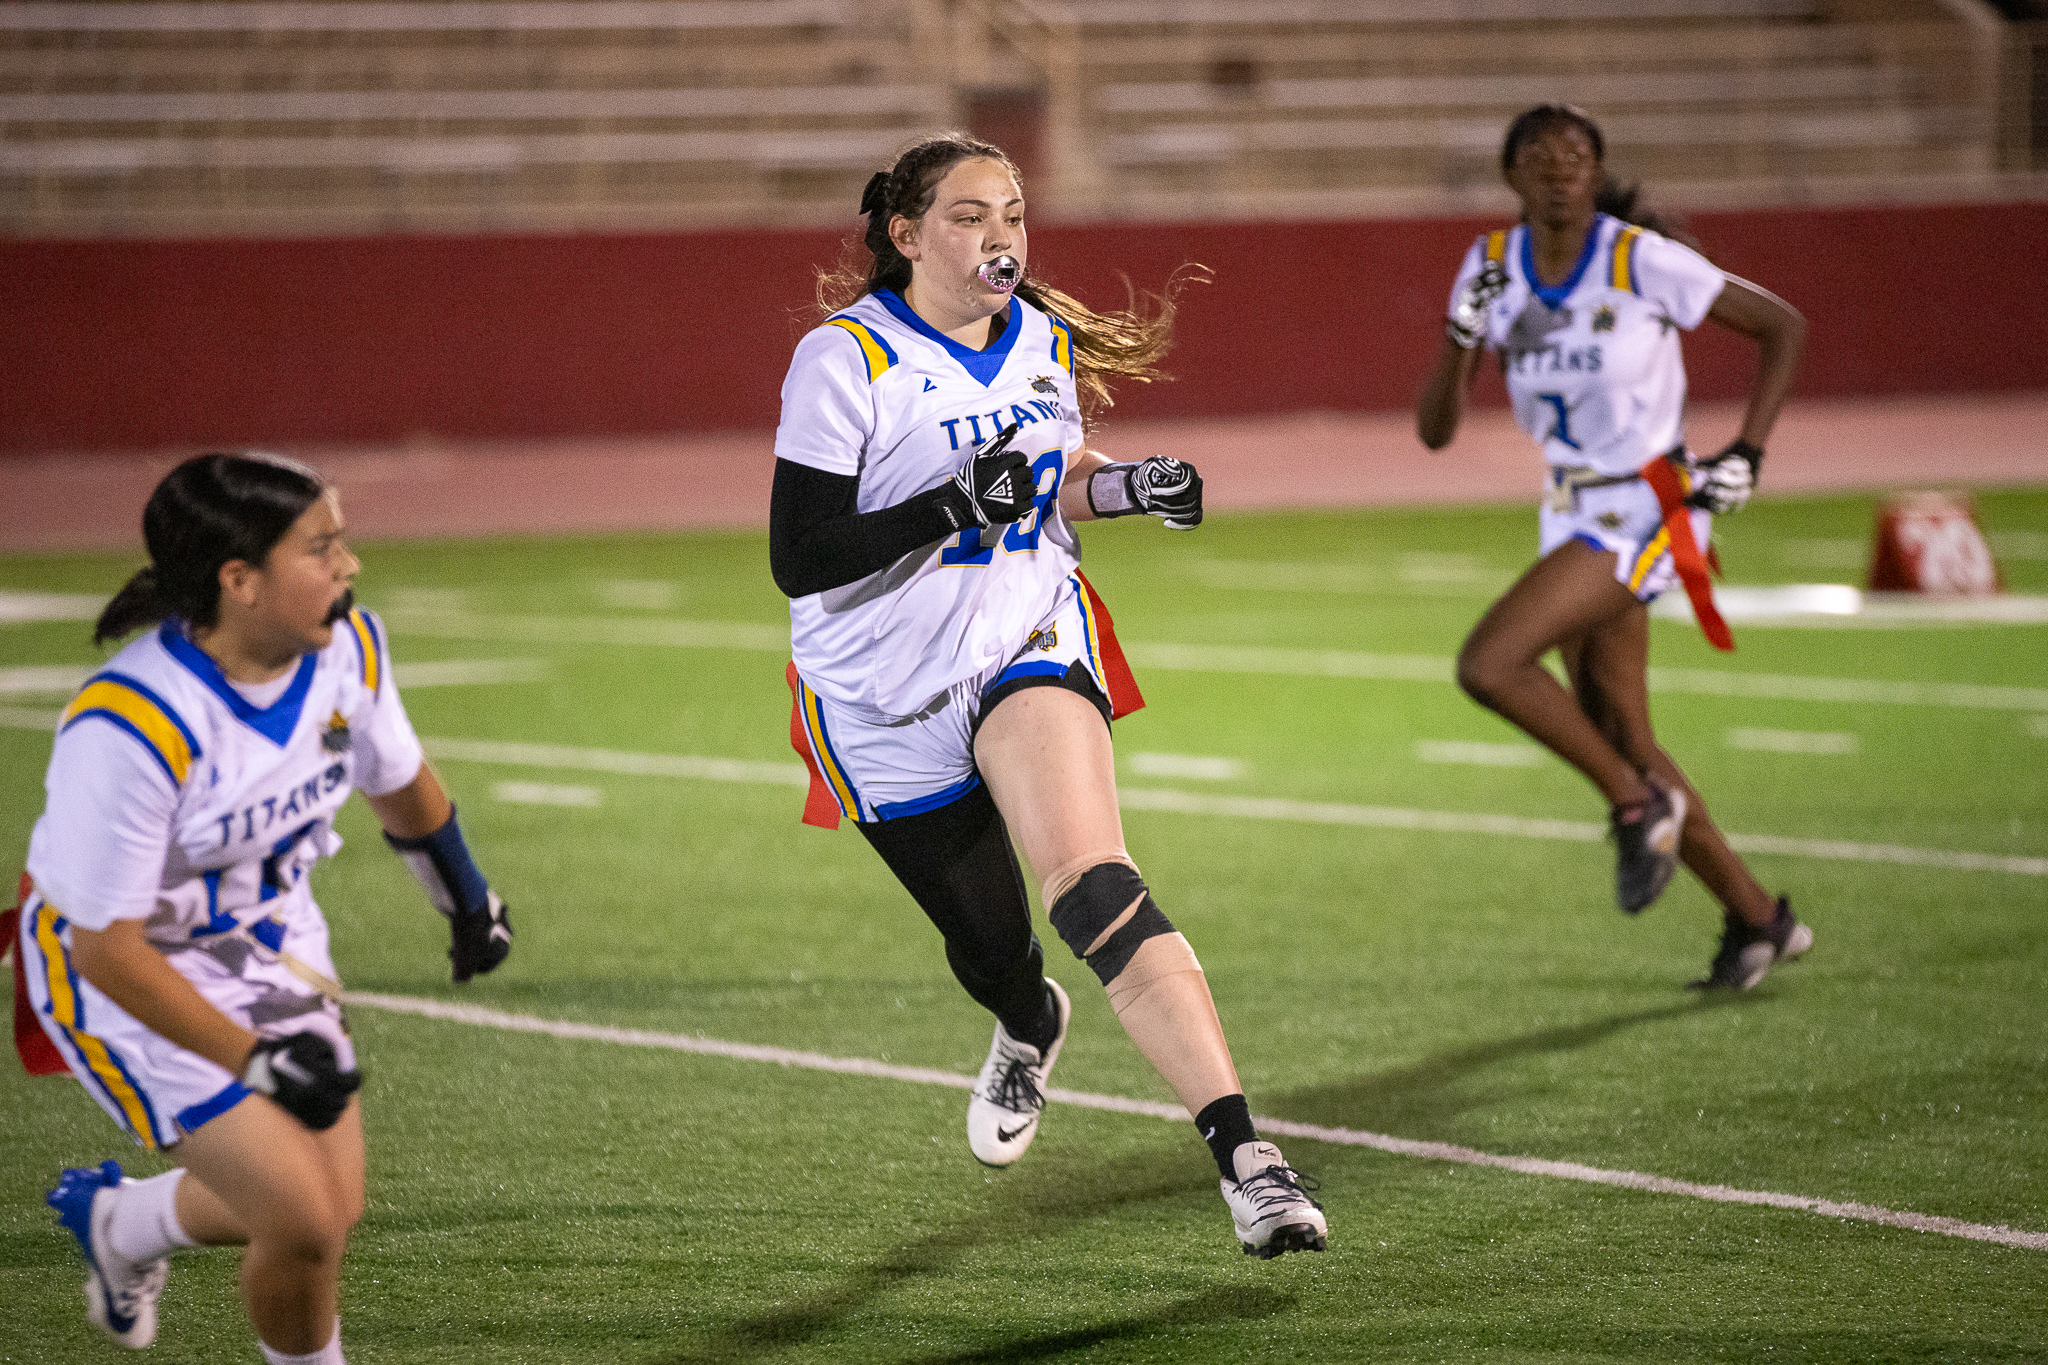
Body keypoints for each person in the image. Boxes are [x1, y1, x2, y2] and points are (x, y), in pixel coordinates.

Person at [769, 134, 1327, 1258]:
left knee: (1092, 884)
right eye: (970, 217)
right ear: (907, 233)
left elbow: (1050, 488)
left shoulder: (1043, 338)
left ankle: (1248, 1163)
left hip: (1023, 636)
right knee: (991, 948)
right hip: (876, 692)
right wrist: (945, 508)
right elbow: (800, 555)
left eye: (1013, 215)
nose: (1000, 239)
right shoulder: (843, 361)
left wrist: (1130, 488)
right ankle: (1026, 1023)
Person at [15, 452, 514, 1362]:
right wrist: (254, 1061)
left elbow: (398, 780)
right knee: (303, 1219)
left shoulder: (346, 650)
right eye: (321, 548)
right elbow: (106, 947)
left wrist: (467, 898)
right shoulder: (131, 721)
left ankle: (121, 1221)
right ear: (238, 580)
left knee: (330, 1205)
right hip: (120, 968)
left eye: (343, 541)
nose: (348, 565)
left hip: (268, 940)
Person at [1416, 104, 1813, 990]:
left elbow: (1784, 326)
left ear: (1597, 170)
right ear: (1510, 172)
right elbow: (1436, 431)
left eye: (1579, 154)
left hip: (1650, 506)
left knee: (1490, 663)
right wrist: (1458, 336)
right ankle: (1758, 919)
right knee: (1621, 729)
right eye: (1541, 155)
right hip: (1570, 508)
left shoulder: (1640, 259)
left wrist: (1747, 451)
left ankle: (1640, 805)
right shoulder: (1488, 265)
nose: (1561, 167)